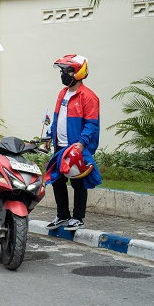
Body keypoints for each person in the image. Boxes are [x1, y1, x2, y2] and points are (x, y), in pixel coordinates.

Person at [45, 54, 101, 232]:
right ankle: (62, 216)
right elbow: (58, 118)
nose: (64, 74)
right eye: (62, 71)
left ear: (78, 72)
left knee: (78, 182)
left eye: (68, 71)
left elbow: (91, 124)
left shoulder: (89, 97)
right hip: (60, 145)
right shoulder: (62, 93)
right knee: (57, 180)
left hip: (75, 146)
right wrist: (49, 137)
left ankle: (78, 218)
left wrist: (82, 144)